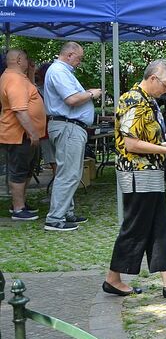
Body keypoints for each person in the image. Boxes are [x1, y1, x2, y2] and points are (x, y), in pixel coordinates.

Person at [103, 59, 166, 298]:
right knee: (135, 227)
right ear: (153, 78)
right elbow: (132, 143)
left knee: (159, 226)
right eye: (165, 85)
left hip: (149, 174)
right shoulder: (134, 100)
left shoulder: (148, 100)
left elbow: (149, 138)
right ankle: (113, 278)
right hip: (138, 174)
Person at [43, 42, 101, 232]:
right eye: (78, 58)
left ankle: (66, 212)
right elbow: (72, 99)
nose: (79, 62)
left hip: (69, 127)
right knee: (68, 173)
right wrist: (91, 93)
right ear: (69, 54)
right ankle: (55, 218)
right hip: (68, 127)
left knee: (70, 172)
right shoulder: (59, 71)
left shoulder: (62, 71)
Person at [0, 50, 45, 221]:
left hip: (23, 134)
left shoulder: (17, 77)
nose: (28, 61)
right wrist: (32, 132)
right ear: (19, 60)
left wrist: (32, 72)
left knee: (25, 170)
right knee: (19, 171)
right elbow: (19, 110)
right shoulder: (15, 79)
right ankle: (18, 209)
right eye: (26, 58)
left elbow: (30, 94)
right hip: (19, 135)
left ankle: (21, 204)